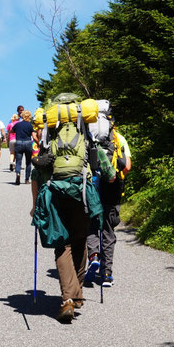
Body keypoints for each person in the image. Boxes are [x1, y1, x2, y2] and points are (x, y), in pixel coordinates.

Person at [30, 94, 103, 323]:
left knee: (62, 244)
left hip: (56, 193)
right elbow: (101, 165)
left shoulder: (49, 135)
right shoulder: (86, 131)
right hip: (82, 192)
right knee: (80, 240)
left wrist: (35, 206)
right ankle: (76, 294)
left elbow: (36, 173)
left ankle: (68, 299)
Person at [85, 121, 131, 288]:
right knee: (108, 230)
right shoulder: (118, 139)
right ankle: (106, 274)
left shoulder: (87, 138)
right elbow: (127, 167)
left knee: (92, 225)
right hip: (112, 189)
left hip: (92, 189)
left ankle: (94, 257)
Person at [12, 110, 34, 185]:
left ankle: (18, 173)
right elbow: (33, 136)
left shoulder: (18, 124)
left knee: (18, 161)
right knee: (28, 163)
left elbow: (11, 131)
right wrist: (38, 143)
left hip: (18, 143)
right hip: (28, 143)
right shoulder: (30, 125)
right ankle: (27, 179)